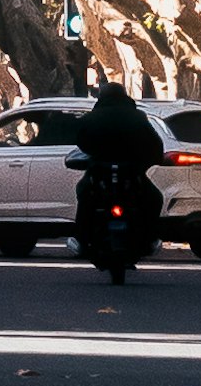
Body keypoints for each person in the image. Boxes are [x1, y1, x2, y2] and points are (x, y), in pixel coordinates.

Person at [70, 69, 166, 281]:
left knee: (83, 195)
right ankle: (150, 239)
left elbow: (81, 141)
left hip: (100, 172)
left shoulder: (92, 117)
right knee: (154, 198)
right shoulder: (137, 116)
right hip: (132, 172)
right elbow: (154, 144)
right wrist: (150, 160)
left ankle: (80, 239)